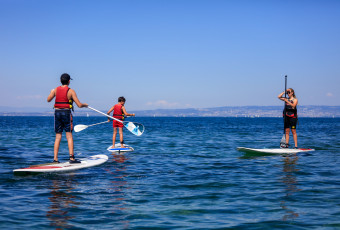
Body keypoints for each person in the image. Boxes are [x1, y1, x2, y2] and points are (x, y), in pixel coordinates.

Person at [47, 73, 88, 163]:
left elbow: (48, 99)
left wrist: (51, 92)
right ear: (69, 81)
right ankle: (71, 158)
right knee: (69, 136)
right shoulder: (71, 91)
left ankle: (55, 159)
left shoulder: (55, 90)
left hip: (57, 113)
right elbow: (79, 105)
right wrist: (85, 105)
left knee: (58, 137)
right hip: (66, 113)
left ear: (60, 81)